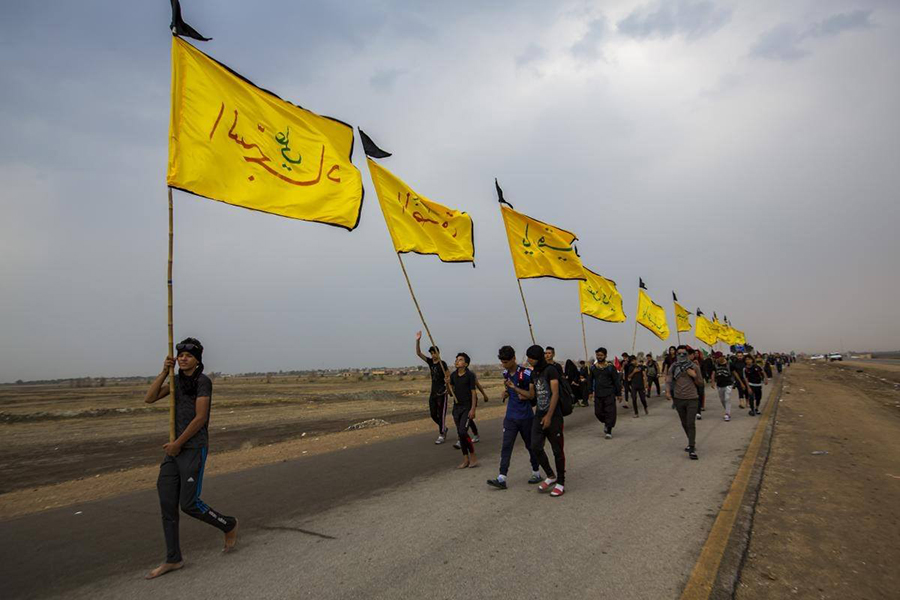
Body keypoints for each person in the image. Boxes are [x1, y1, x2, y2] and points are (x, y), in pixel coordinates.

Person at [143, 338, 238, 580]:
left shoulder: (202, 382)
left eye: (188, 355)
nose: (183, 358)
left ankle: (228, 524)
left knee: (189, 504)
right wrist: (164, 372)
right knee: (167, 504)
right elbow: (150, 398)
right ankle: (173, 558)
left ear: (197, 360)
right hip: (173, 452)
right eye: (181, 355)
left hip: (193, 448)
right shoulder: (175, 381)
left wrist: (178, 444)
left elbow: (200, 418)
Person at [487, 346, 542, 489]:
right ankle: (502, 477)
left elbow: (532, 395)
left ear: (513, 359)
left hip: (526, 417)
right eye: (502, 362)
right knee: (506, 446)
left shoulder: (526, 374)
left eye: (506, 362)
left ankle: (536, 472)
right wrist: (506, 393)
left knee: (531, 446)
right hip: (511, 417)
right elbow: (508, 388)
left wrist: (518, 390)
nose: (503, 365)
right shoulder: (505, 374)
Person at [524, 345, 566, 497]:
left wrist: (549, 416)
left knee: (557, 450)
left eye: (531, 358)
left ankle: (560, 482)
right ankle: (550, 475)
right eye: (528, 357)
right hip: (539, 414)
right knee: (535, 446)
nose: (529, 360)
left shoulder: (551, 370)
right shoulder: (533, 373)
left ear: (538, 358)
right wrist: (514, 389)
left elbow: (555, 394)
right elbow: (532, 395)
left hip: (554, 415)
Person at [666, 345, 704, 460]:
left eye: (684, 354)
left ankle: (691, 448)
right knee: (684, 423)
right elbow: (668, 379)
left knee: (690, 422)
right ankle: (691, 440)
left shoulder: (694, 366)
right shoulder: (674, 367)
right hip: (679, 398)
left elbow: (701, 383)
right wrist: (667, 391)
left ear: (687, 355)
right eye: (679, 354)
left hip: (692, 398)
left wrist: (694, 375)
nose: (681, 356)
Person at [415, 331, 450, 444]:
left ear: (438, 353)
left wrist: (448, 386)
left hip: (442, 393)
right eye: (431, 353)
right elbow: (418, 353)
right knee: (433, 414)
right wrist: (418, 340)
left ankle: (442, 434)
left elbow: (448, 376)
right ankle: (443, 428)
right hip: (433, 393)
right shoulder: (430, 362)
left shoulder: (443, 364)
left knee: (442, 414)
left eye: (434, 353)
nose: (433, 355)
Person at [449, 352, 478, 468]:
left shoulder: (470, 375)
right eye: (456, 359)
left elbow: (473, 393)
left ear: (466, 364)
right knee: (460, 434)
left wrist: (473, 409)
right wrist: (447, 384)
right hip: (456, 408)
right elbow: (450, 393)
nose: (457, 361)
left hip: (467, 407)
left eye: (460, 359)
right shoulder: (453, 375)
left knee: (463, 432)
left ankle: (473, 456)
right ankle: (465, 459)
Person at [589, 347, 622, 439]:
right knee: (598, 413)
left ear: (605, 356)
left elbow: (616, 381)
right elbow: (590, 381)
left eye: (601, 355)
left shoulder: (610, 368)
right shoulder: (593, 368)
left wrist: (619, 394)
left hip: (609, 393)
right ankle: (607, 423)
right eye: (598, 355)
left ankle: (609, 431)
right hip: (598, 394)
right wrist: (590, 392)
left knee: (610, 412)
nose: (599, 357)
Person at [711, 352, 734, 421]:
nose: (717, 359)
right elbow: (713, 373)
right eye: (716, 358)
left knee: (727, 398)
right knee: (722, 399)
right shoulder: (715, 365)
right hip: (719, 384)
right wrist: (712, 382)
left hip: (728, 383)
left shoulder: (729, 364)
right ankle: (727, 410)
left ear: (722, 357)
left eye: (718, 358)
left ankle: (727, 414)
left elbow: (734, 372)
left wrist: (740, 382)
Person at [627, 353, 649, 417]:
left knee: (643, 399)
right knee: (634, 399)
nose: (632, 362)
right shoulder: (630, 367)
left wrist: (646, 383)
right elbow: (629, 376)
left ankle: (645, 407)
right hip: (633, 385)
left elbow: (644, 375)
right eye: (631, 361)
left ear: (635, 360)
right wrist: (634, 372)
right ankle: (636, 413)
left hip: (641, 385)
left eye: (633, 360)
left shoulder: (641, 366)